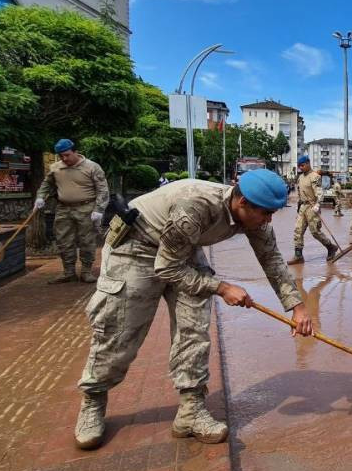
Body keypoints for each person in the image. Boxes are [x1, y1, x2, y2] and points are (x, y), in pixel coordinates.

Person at [74, 170, 312, 450]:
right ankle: (93, 399)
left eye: (272, 213)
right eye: (266, 213)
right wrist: (221, 288)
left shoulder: (255, 218)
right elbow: (166, 268)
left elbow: (271, 259)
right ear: (243, 202)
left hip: (182, 250)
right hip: (137, 248)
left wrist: (297, 308)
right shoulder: (195, 206)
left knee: (194, 330)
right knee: (120, 332)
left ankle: (191, 411)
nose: (269, 220)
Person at [35, 139, 110, 283]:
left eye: (67, 155)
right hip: (63, 208)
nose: (64, 158)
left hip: (86, 208)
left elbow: (102, 189)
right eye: (61, 156)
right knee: (63, 240)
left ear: (76, 152)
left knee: (86, 240)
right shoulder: (55, 168)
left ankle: (86, 271)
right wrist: (40, 197)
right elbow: (46, 184)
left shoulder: (92, 167)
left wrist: (99, 209)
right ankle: (68, 271)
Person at [289, 155, 338, 264]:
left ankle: (330, 247)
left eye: (302, 165)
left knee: (315, 232)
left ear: (307, 163)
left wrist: (318, 204)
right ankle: (298, 256)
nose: (300, 168)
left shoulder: (315, 176)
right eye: (299, 166)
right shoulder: (301, 177)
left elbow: (319, 192)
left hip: (312, 207)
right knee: (298, 230)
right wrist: (298, 209)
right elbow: (300, 193)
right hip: (303, 207)